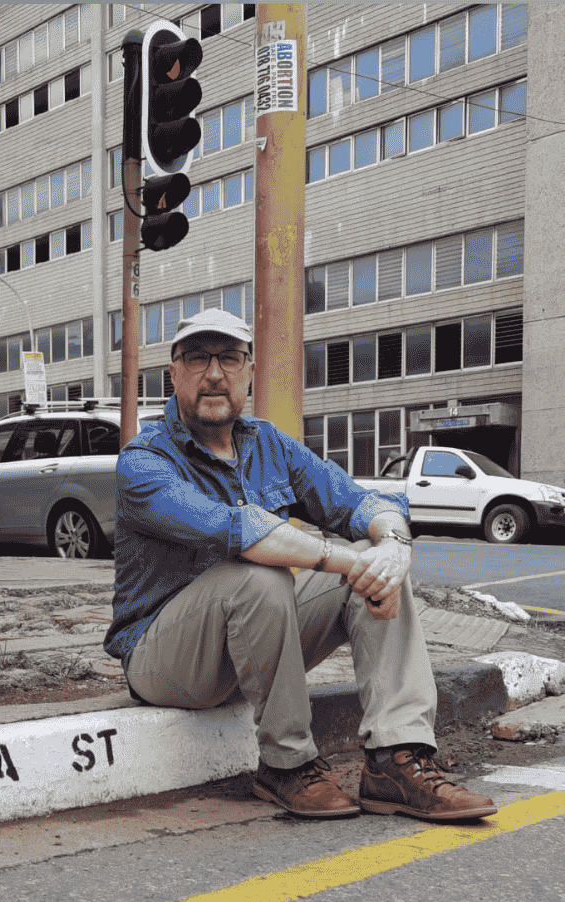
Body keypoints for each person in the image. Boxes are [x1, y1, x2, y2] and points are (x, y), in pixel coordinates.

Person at [104, 309, 495, 821]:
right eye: (197, 359)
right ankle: (286, 765)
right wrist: (341, 556)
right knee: (260, 574)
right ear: (172, 375)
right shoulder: (144, 460)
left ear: (248, 371)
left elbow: (357, 500)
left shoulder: (269, 444)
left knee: (376, 572)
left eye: (229, 358)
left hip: (254, 639)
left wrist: (393, 546)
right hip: (165, 659)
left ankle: (396, 760)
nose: (214, 373)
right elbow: (237, 530)